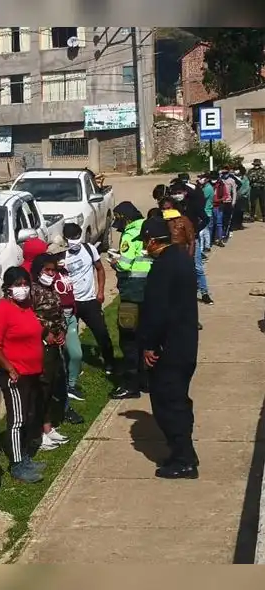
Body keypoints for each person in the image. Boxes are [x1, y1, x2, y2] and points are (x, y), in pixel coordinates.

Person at [136, 216, 200, 479]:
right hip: (184, 345)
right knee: (179, 402)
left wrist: (150, 345)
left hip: (169, 348)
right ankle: (182, 451)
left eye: (145, 242)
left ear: (152, 240)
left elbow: (156, 311)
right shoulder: (182, 258)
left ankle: (184, 460)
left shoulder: (163, 267)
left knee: (168, 404)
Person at [0, 266, 46, 484]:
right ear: (7, 288)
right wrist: (9, 367)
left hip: (32, 373)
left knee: (29, 415)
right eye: (18, 285)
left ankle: (24, 455)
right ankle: (17, 463)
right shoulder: (2, 310)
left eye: (25, 284)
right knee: (17, 420)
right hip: (15, 375)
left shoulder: (27, 307)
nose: (23, 289)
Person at [108, 201, 151, 400]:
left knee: (129, 340)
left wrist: (115, 261)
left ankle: (131, 385)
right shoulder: (148, 226)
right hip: (149, 290)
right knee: (147, 338)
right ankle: (146, 380)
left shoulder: (130, 233)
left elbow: (125, 265)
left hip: (132, 292)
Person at [30, 253, 71, 450]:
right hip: (41, 346)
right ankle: (38, 432)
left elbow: (60, 314)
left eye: (53, 270)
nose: (51, 274)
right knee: (42, 387)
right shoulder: (33, 292)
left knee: (51, 385)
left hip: (55, 346)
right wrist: (45, 333)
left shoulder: (52, 290)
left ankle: (48, 427)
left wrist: (62, 330)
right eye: (47, 270)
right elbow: (31, 318)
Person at [62, 223, 115, 375]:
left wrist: (101, 291)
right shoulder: (62, 256)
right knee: (70, 337)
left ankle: (110, 363)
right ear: (66, 239)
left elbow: (100, 269)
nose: (75, 240)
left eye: (77, 237)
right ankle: (72, 366)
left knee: (102, 333)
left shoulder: (89, 249)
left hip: (90, 301)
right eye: (71, 238)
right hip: (71, 304)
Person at [48, 237, 85, 424]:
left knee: (76, 354)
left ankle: (71, 385)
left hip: (71, 317)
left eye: (62, 253)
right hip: (59, 320)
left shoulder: (64, 271)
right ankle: (64, 392)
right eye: (57, 254)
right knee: (64, 358)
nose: (61, 256)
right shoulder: (49, 275)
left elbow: (70, 293)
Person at [233, 165, 250, 230]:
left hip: (242, 197)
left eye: (237, 169)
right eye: (235, 170)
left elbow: (247, 187)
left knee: (241, 212)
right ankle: (235, 225)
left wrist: (241, 193)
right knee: (235, 212)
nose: (236, 171)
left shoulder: (245, 178)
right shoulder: (233, 178)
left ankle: (239, 224)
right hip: (235, 197)